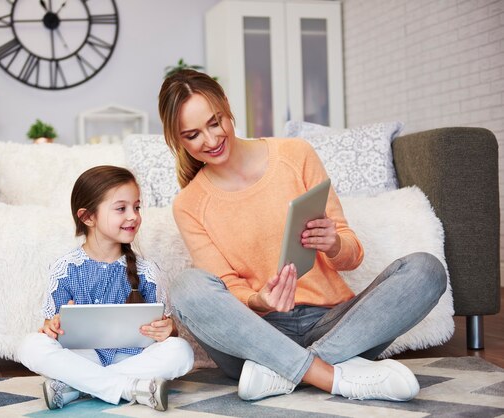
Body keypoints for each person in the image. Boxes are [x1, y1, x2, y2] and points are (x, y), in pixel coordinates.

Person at [158, 69, 446, 403]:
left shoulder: (296, 155)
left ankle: (282, 374)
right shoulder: (190, 204)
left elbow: (352, 253)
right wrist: (259, 300)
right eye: (192, 135)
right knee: (186, 287)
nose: (210, 140)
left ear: (226, 106)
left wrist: (334, 243)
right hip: (253, 337)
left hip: (333, 324)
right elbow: (226, 285)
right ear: (177, 140)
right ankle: (330, 375)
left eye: (215, 122)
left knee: (426, 270)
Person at [18, 166, 194, 411]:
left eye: (136, 207)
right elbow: (51, 328)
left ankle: (76, 387)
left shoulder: (147, 271)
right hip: (82, 357)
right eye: (121, 208)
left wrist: (168, 329)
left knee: (181, 351)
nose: (133, 216)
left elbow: (164, 333)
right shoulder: (65, 269)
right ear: (88, 217)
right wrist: (52, 327)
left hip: (131, 358)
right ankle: (131, 388)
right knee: (30, 345)